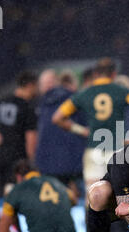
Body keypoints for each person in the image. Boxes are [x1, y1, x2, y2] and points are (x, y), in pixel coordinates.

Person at [52, 57, 129, 195]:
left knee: (94, 195)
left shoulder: (84, 93)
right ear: (114, 74)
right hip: (117, 150)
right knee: (123, 194)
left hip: (94, 150)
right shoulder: (122, 91)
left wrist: (81, 130)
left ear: (96, 74)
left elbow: (57, 117)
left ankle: (93, 217)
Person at [35, 69, 86, 205]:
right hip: (75, 160)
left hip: (49, 162)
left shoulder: (41, 104)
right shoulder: (75, 99)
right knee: (88, 197)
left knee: (53, 200)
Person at [0, 71, 39, 197]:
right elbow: (30, 137)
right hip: (18, 158)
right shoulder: (28, 107)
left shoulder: (3, 101)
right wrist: (32, 160)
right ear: (30, 85)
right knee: (16, 193)